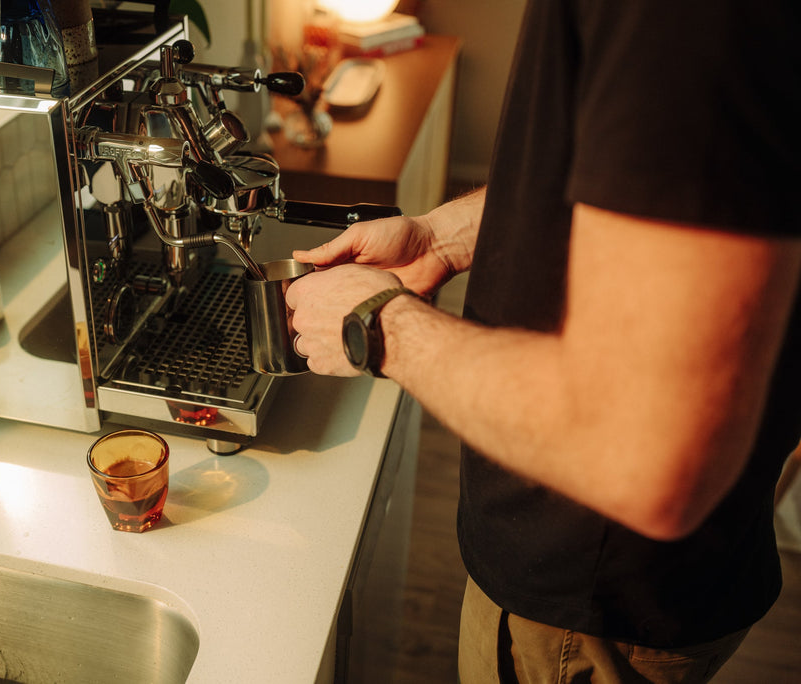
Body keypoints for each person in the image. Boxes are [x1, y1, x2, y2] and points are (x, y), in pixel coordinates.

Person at [284, 1, 801, 681]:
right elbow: (634, 182)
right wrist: (446, 233)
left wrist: (380, 326)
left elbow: (645, 451)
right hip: (588, 573)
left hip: (595, 606)